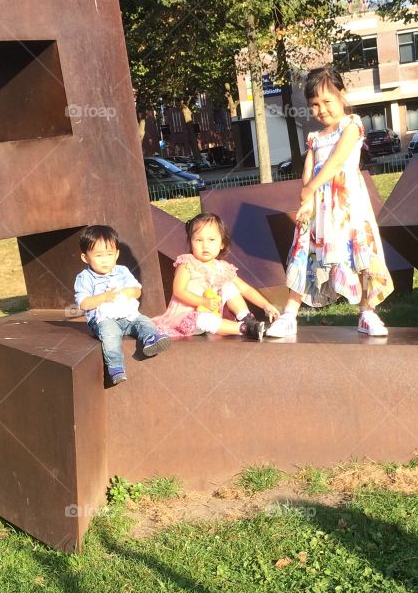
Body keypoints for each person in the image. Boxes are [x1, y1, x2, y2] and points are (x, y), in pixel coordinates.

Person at [266, 65, 393, 338]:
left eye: (327, 101)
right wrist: (308, 198)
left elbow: (337, 161)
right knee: (304, 253)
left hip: (347, 204)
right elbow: (309, 169)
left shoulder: (352, 125)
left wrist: (311, 187)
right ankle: (289, 315)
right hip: (318, 207)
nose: (322, 109)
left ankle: (366, 312)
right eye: (314, 105)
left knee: (357, 252)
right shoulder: (314, 138)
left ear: (341, 96)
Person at [155, 213, 280, 341]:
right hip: (188, 317)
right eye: (198, 240)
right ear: (191, 242)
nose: (205, 245)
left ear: (222, 244)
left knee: (229, 284)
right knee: (205, 320)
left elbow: (245, 289)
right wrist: (203, 302)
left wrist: (266, 305)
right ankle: (244, 328)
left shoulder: (222, 267)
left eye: (211, 240)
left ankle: (246, 317)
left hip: (212, 313)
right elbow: (178, 291)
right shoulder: (188, 263)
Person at [74, 224, 170, 386]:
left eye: (109, 254)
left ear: (117, 254)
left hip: (128, 315)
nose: (105, 260)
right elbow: (83, 303)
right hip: (103, 320)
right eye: (98, 255)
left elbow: (137, 291)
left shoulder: (122, 271)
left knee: (145, 321)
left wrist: (129, 292)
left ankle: (151, 339)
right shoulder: (84, 278)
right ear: (85, 258)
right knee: (110, 336)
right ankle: (116, 366)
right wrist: (104, 297)